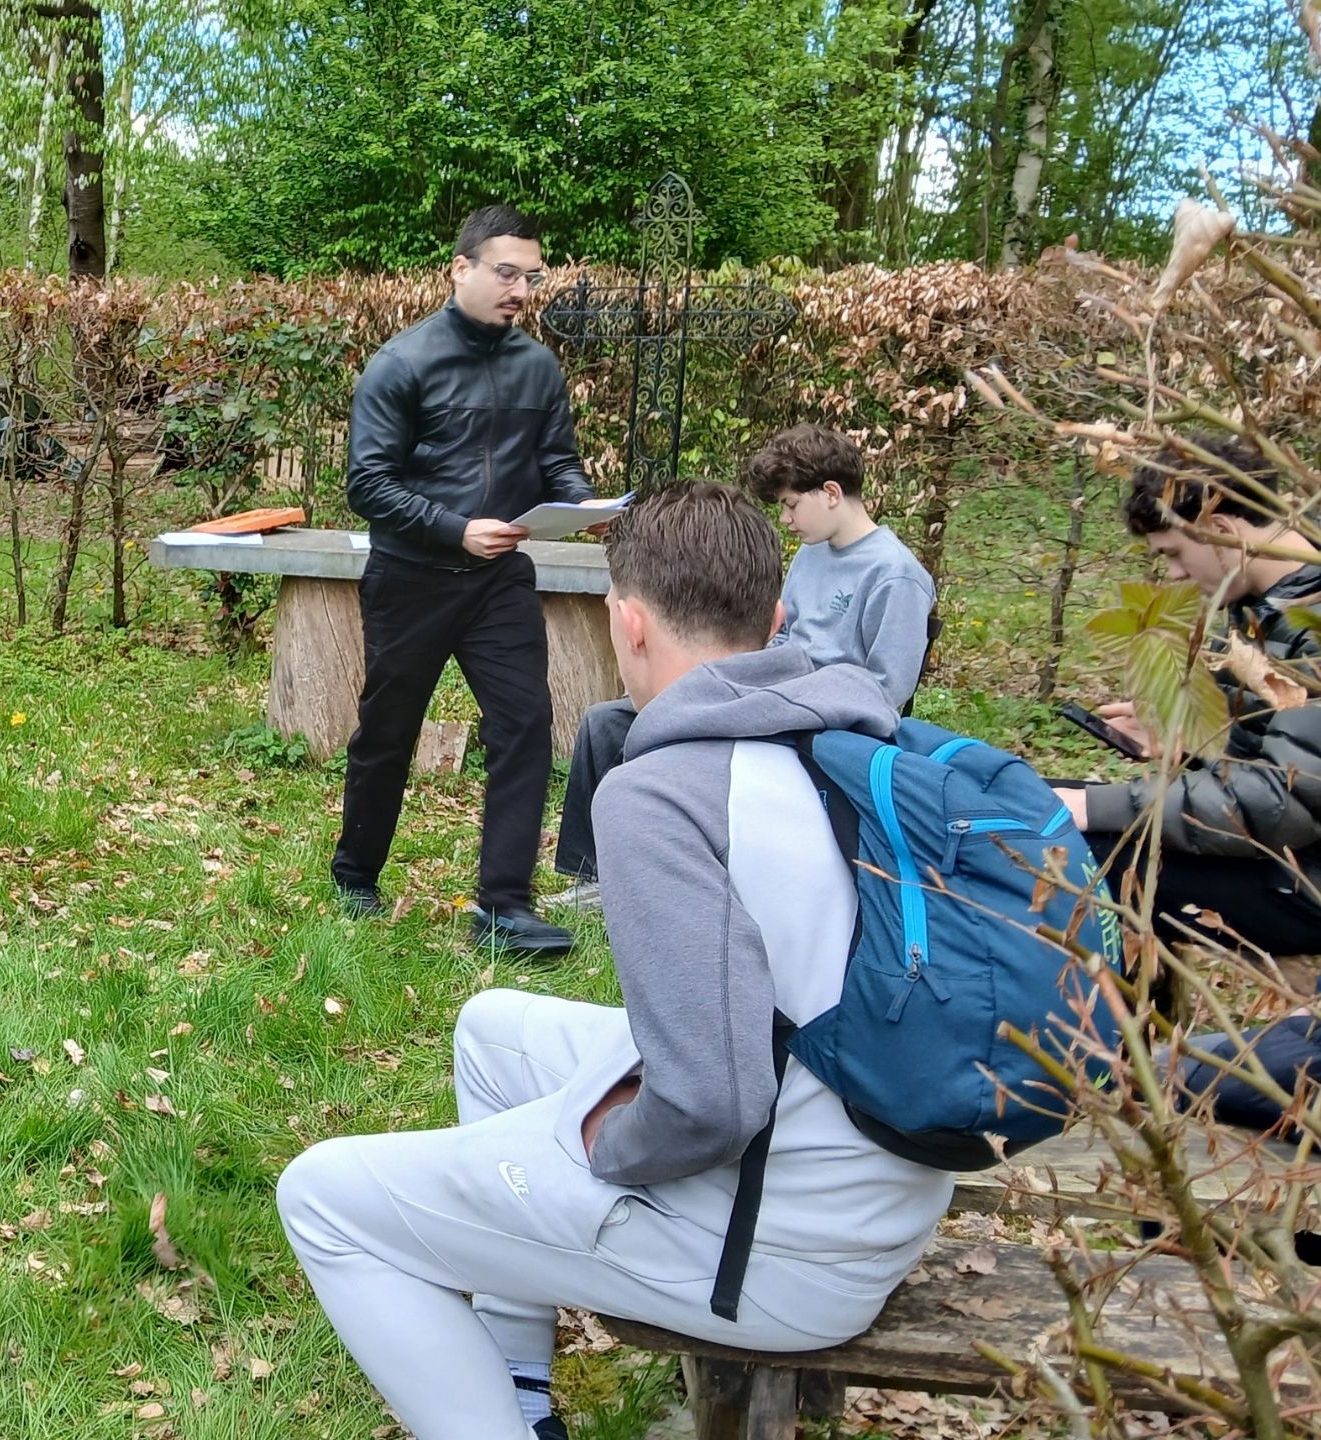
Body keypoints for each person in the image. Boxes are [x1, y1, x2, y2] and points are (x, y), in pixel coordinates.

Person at [279, 484, 953, 1440]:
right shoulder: (849, 744)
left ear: (626, 624)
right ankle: (519, 1385)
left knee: (323, 1197)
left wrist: (601, 1148)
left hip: (778, 1258)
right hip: (875, 1198)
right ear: (775, 620)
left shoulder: (665, 793)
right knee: (492, 1029)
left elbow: (711, 1101)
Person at [330, 203, 603, 956]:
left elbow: (556, 463)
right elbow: (368, 485)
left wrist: (582, 505)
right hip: (411, 577)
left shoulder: (538, 368)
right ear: (461, 268)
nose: (520, 289)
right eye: (506, 272)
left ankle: (503, 907)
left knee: (525, 726)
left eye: (532, 276)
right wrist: (455, 528)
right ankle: (355, 875)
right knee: (389, 731)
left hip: (499, 581)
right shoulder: (402, 363)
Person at [555, 424, 935, 901]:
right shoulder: (812, 556)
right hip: (763, 690)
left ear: (832, 493)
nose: (787, 519)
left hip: (821, 721)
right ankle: (592, 876)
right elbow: (777, 637)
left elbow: (887, 690)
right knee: (606, 722)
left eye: (792, 504)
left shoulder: (896, 574)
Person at [1055, 436, 1319, 957]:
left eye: (1175, 553)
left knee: (1072, 850)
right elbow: (1272, 759)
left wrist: (1094, 806)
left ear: (1220, 528)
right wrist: (1183, 740)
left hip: (1304, 883)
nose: (1175, 574)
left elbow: (1283, 803)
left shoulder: (1311, 624)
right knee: (1033, 803)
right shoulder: (1260, 607)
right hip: (1287, 856)